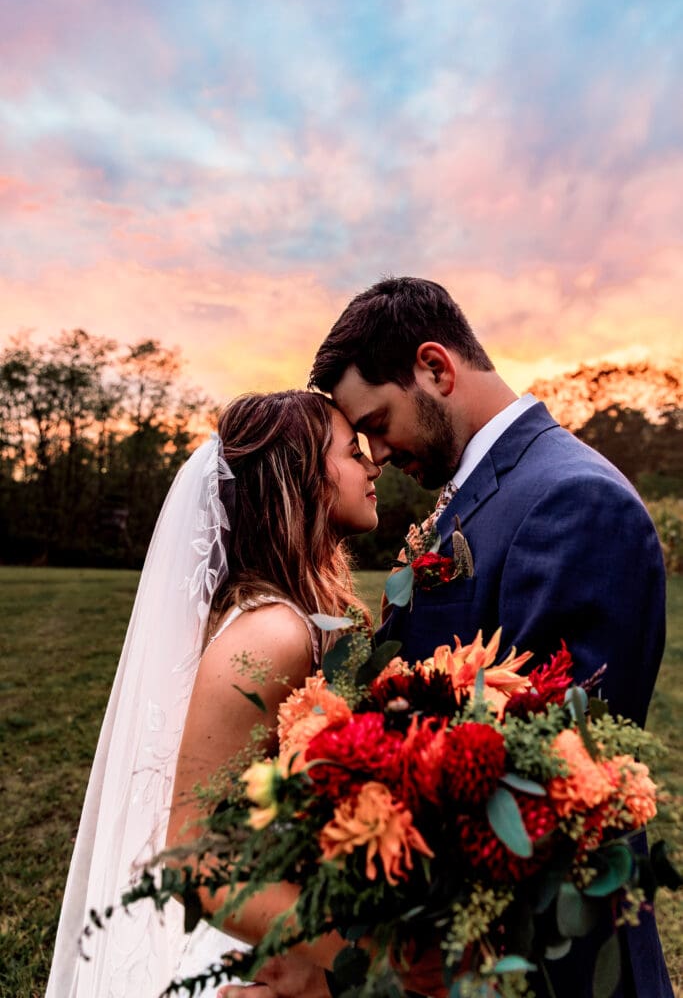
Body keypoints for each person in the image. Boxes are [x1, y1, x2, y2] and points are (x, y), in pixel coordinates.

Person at [306, 275, 672, 998]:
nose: (374, 453)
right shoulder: (482, 489)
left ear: (435, 368)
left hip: (545, 962)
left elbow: (554, 773)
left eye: (377, 422)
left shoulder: (573, 497)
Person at [46, 390, 381, 998]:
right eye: (352, 452)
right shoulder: (274, 632)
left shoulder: (293, 614)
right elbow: (192, 855)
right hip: (264, 956)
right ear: (301, 479)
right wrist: (370, 956)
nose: (372, 465)